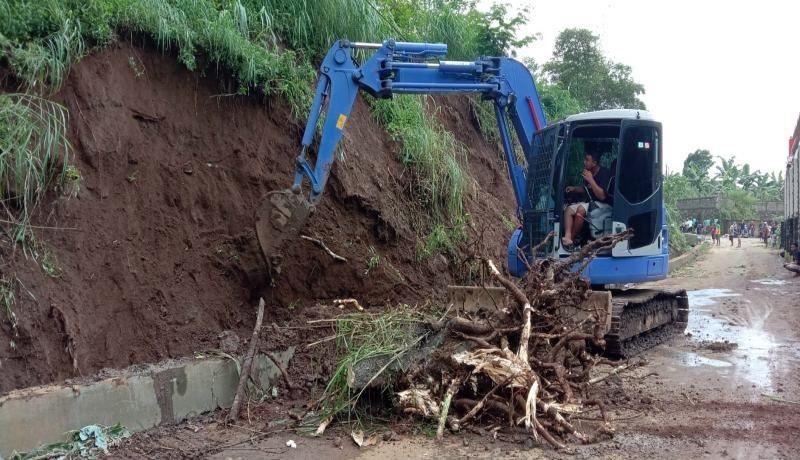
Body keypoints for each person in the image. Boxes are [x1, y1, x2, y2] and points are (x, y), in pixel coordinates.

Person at [561, 151, 613, 247]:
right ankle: (567, 237)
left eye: (587, 160)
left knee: (581, 209)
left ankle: (571, 240)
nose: (584, 162)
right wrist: (574, 188)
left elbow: (602, 196)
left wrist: (591, 179)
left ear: (594, 163)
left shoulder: (604, 173)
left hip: (604, 204)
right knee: (568, 210)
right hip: (591, 202)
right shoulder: (589, 172)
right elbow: (587, 189)